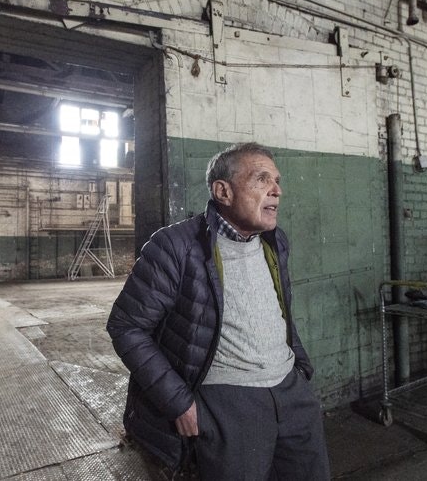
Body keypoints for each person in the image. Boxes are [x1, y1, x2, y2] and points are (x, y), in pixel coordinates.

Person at [107, 142, 330, 480]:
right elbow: (126, 326)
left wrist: (300, 369)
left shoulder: (275, 241)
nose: (277, 190)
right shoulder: (176, 246)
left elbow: (278, 311)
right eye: (262, 179)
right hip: (228, 404)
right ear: (223, 191)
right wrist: (178, 402)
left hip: (292, 394)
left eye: (277, 180)